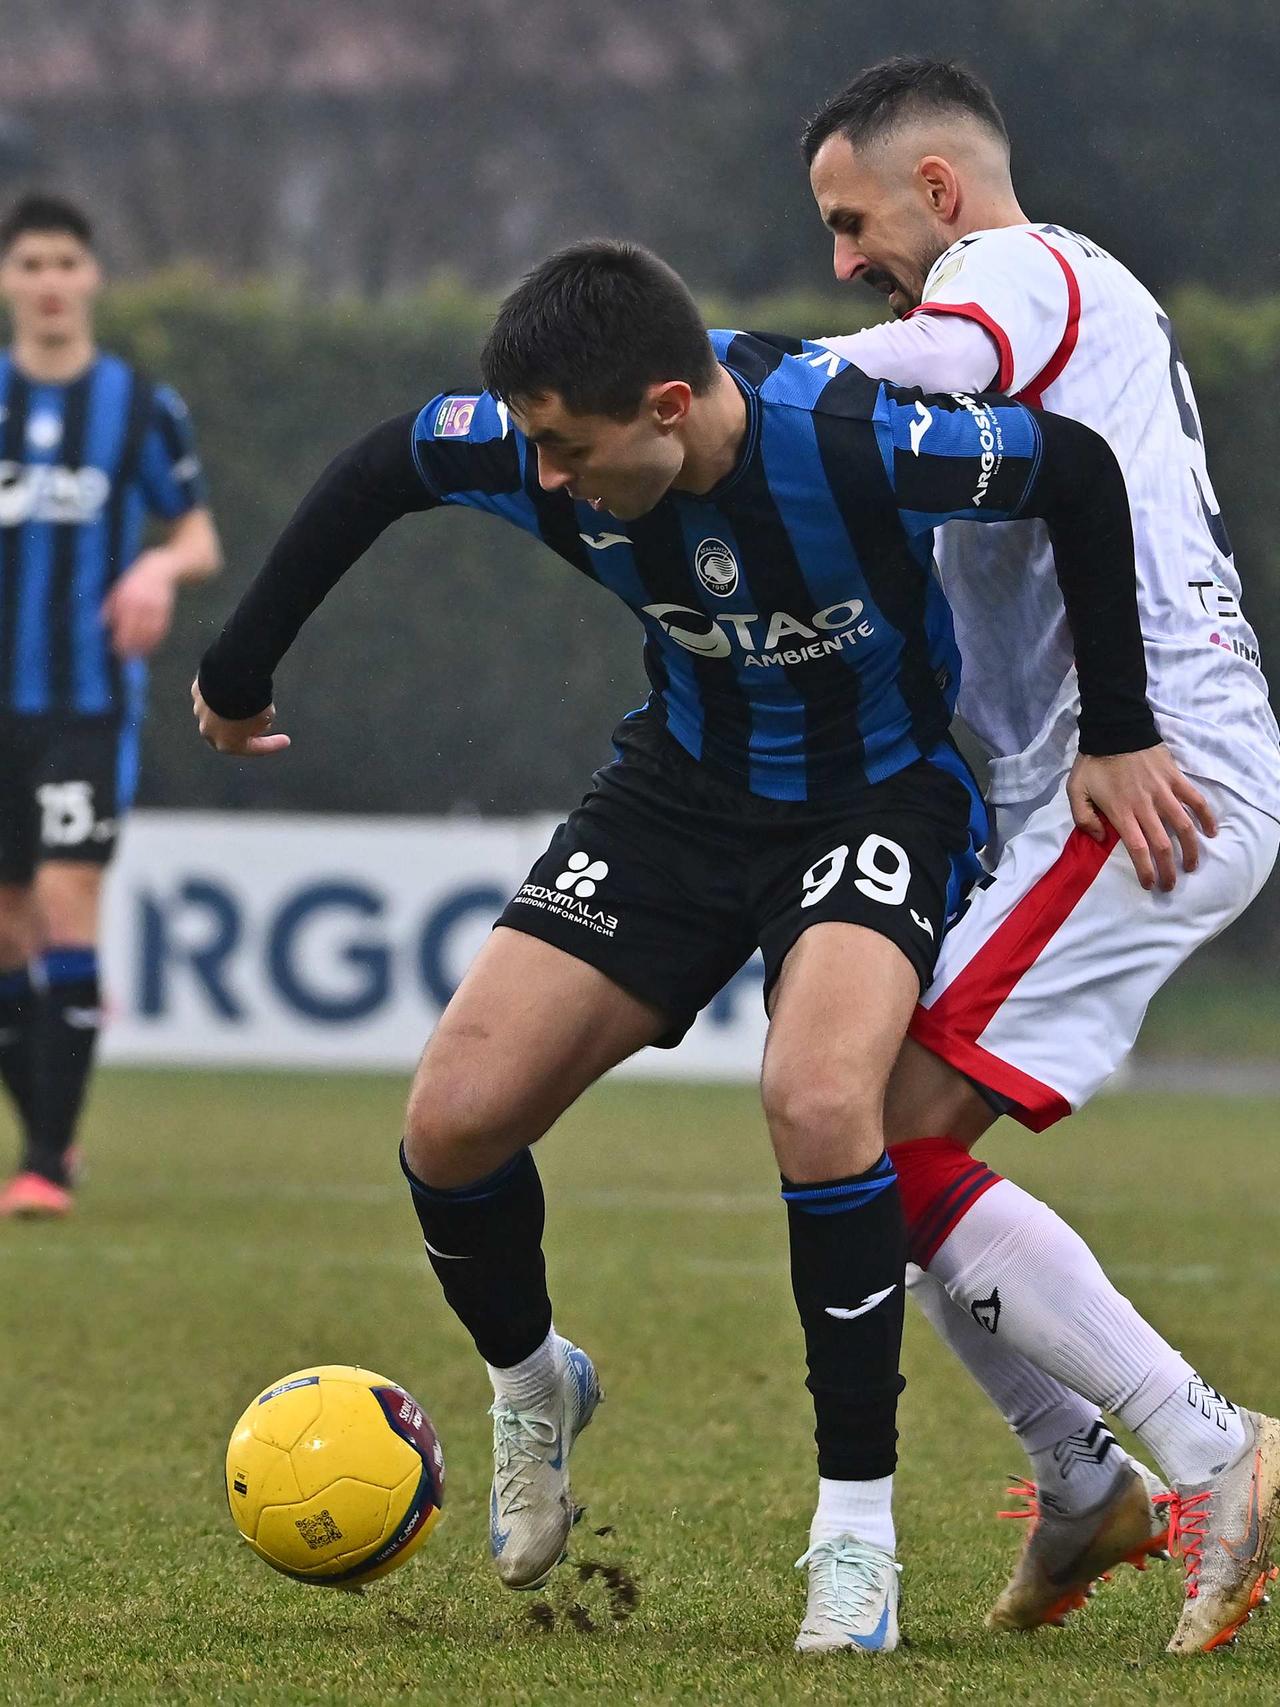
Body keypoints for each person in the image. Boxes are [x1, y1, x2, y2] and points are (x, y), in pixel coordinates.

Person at [193, 239, 1190, 1655]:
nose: (543, 478)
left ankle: (855, 1534)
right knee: (455, 1119)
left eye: (568, 449)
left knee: (821, 1100)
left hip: (881, 791)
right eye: (533, 445)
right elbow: (383, 464)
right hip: (676, 795)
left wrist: (1122, 726)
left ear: (671, 404)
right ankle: (537, 1380)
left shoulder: (850, 438)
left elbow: (1075, 468)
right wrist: (236, 674)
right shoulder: (539, 441)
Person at [800, 56, 1280, 1656]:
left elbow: (915, 358)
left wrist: (728, 384)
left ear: (938, 192)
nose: (846, 260)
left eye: (853, 221)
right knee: (857, 1131)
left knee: (865, 1119)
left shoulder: (1014, 269)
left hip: (1145, 779)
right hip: (1105, 782)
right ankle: (1086, 1482)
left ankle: (1204, 1445)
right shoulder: (1088, 296)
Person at [0, 194, 221, 1218]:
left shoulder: (137, 407)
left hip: (83, 705)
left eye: (65, 263)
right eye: (31, 263)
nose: (49, 281)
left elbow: (197, 536)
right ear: (9, 281)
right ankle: (52, 1141)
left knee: (63, 901)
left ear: (90, 278)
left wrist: (155, 573)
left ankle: (44, 1164)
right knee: (7, 933)